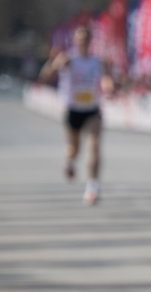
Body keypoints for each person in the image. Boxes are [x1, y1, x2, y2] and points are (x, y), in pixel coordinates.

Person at [39, 25, 110, 205]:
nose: (82, 43)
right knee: (74, 150)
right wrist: (52, 63)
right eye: (79, 39)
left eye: (85, 39)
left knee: (94, 146)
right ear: (75, 41)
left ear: (90, 41)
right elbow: (45, 76)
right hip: (73, 110)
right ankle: (70, 162)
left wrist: (109, 85)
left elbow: (106, 78)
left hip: (92, 110)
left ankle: (92, 188)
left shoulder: (96, 61)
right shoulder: (68, 59)